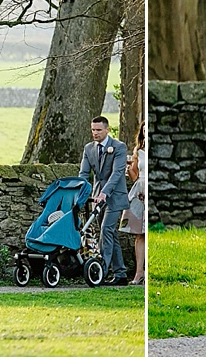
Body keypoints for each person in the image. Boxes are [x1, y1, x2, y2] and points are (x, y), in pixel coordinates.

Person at [81, 115, 131, 286]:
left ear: (107, 129)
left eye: (98, 130)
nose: (95, 133)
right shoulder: (88, 149)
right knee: (111, 234)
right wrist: (82, 191)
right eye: (93, 130)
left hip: (115, 196)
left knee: (106, 230)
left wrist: (105, 192)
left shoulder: (119, 147)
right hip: (97, 198)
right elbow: (84, 174)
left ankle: (101, 270)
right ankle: (121, 274)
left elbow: (117, 173)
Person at [118, 123, 148, 286]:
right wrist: (127, 168)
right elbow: (135, 177)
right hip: (140, 191)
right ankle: (139, 273)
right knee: (139, 234)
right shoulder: (139, 152)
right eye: (144, 130)